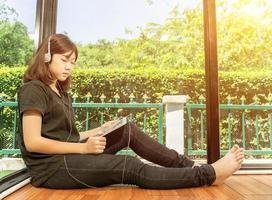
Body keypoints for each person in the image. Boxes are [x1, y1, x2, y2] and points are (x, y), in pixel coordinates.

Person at [17, 33, 244, 189]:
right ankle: (207, 175)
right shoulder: (33, 89)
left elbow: (66, 135)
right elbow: (34, 142)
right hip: (51, 168)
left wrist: (101, 129)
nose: (69, 66)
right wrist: (83, 149)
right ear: (46, 57)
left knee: (127, 130)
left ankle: (190, 166)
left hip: (68, 156)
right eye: (64, 60)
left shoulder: (59, 91)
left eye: (73, 62)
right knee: (129, 165)